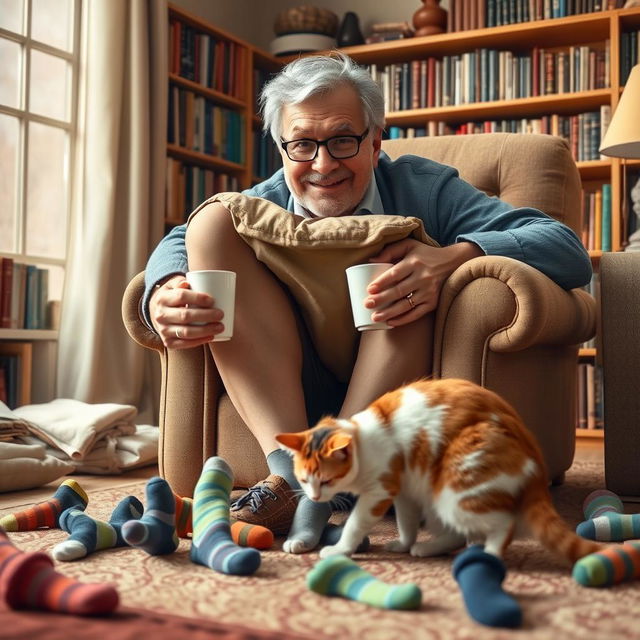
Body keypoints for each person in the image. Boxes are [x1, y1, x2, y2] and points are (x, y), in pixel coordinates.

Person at [142, 52, 592, 554]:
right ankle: (290, 478)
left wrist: (451, 257)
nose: (323, 163)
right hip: (288, 378)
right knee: (211, 222)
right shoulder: (261, 200)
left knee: (398, 268)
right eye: (303, 145)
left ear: (376, 139)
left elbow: (562, 245)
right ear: (281, 147)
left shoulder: (426, 187)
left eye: (342, 140)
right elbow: (178, 241)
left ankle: (331, 478)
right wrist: (164, 289)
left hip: (393, 370)